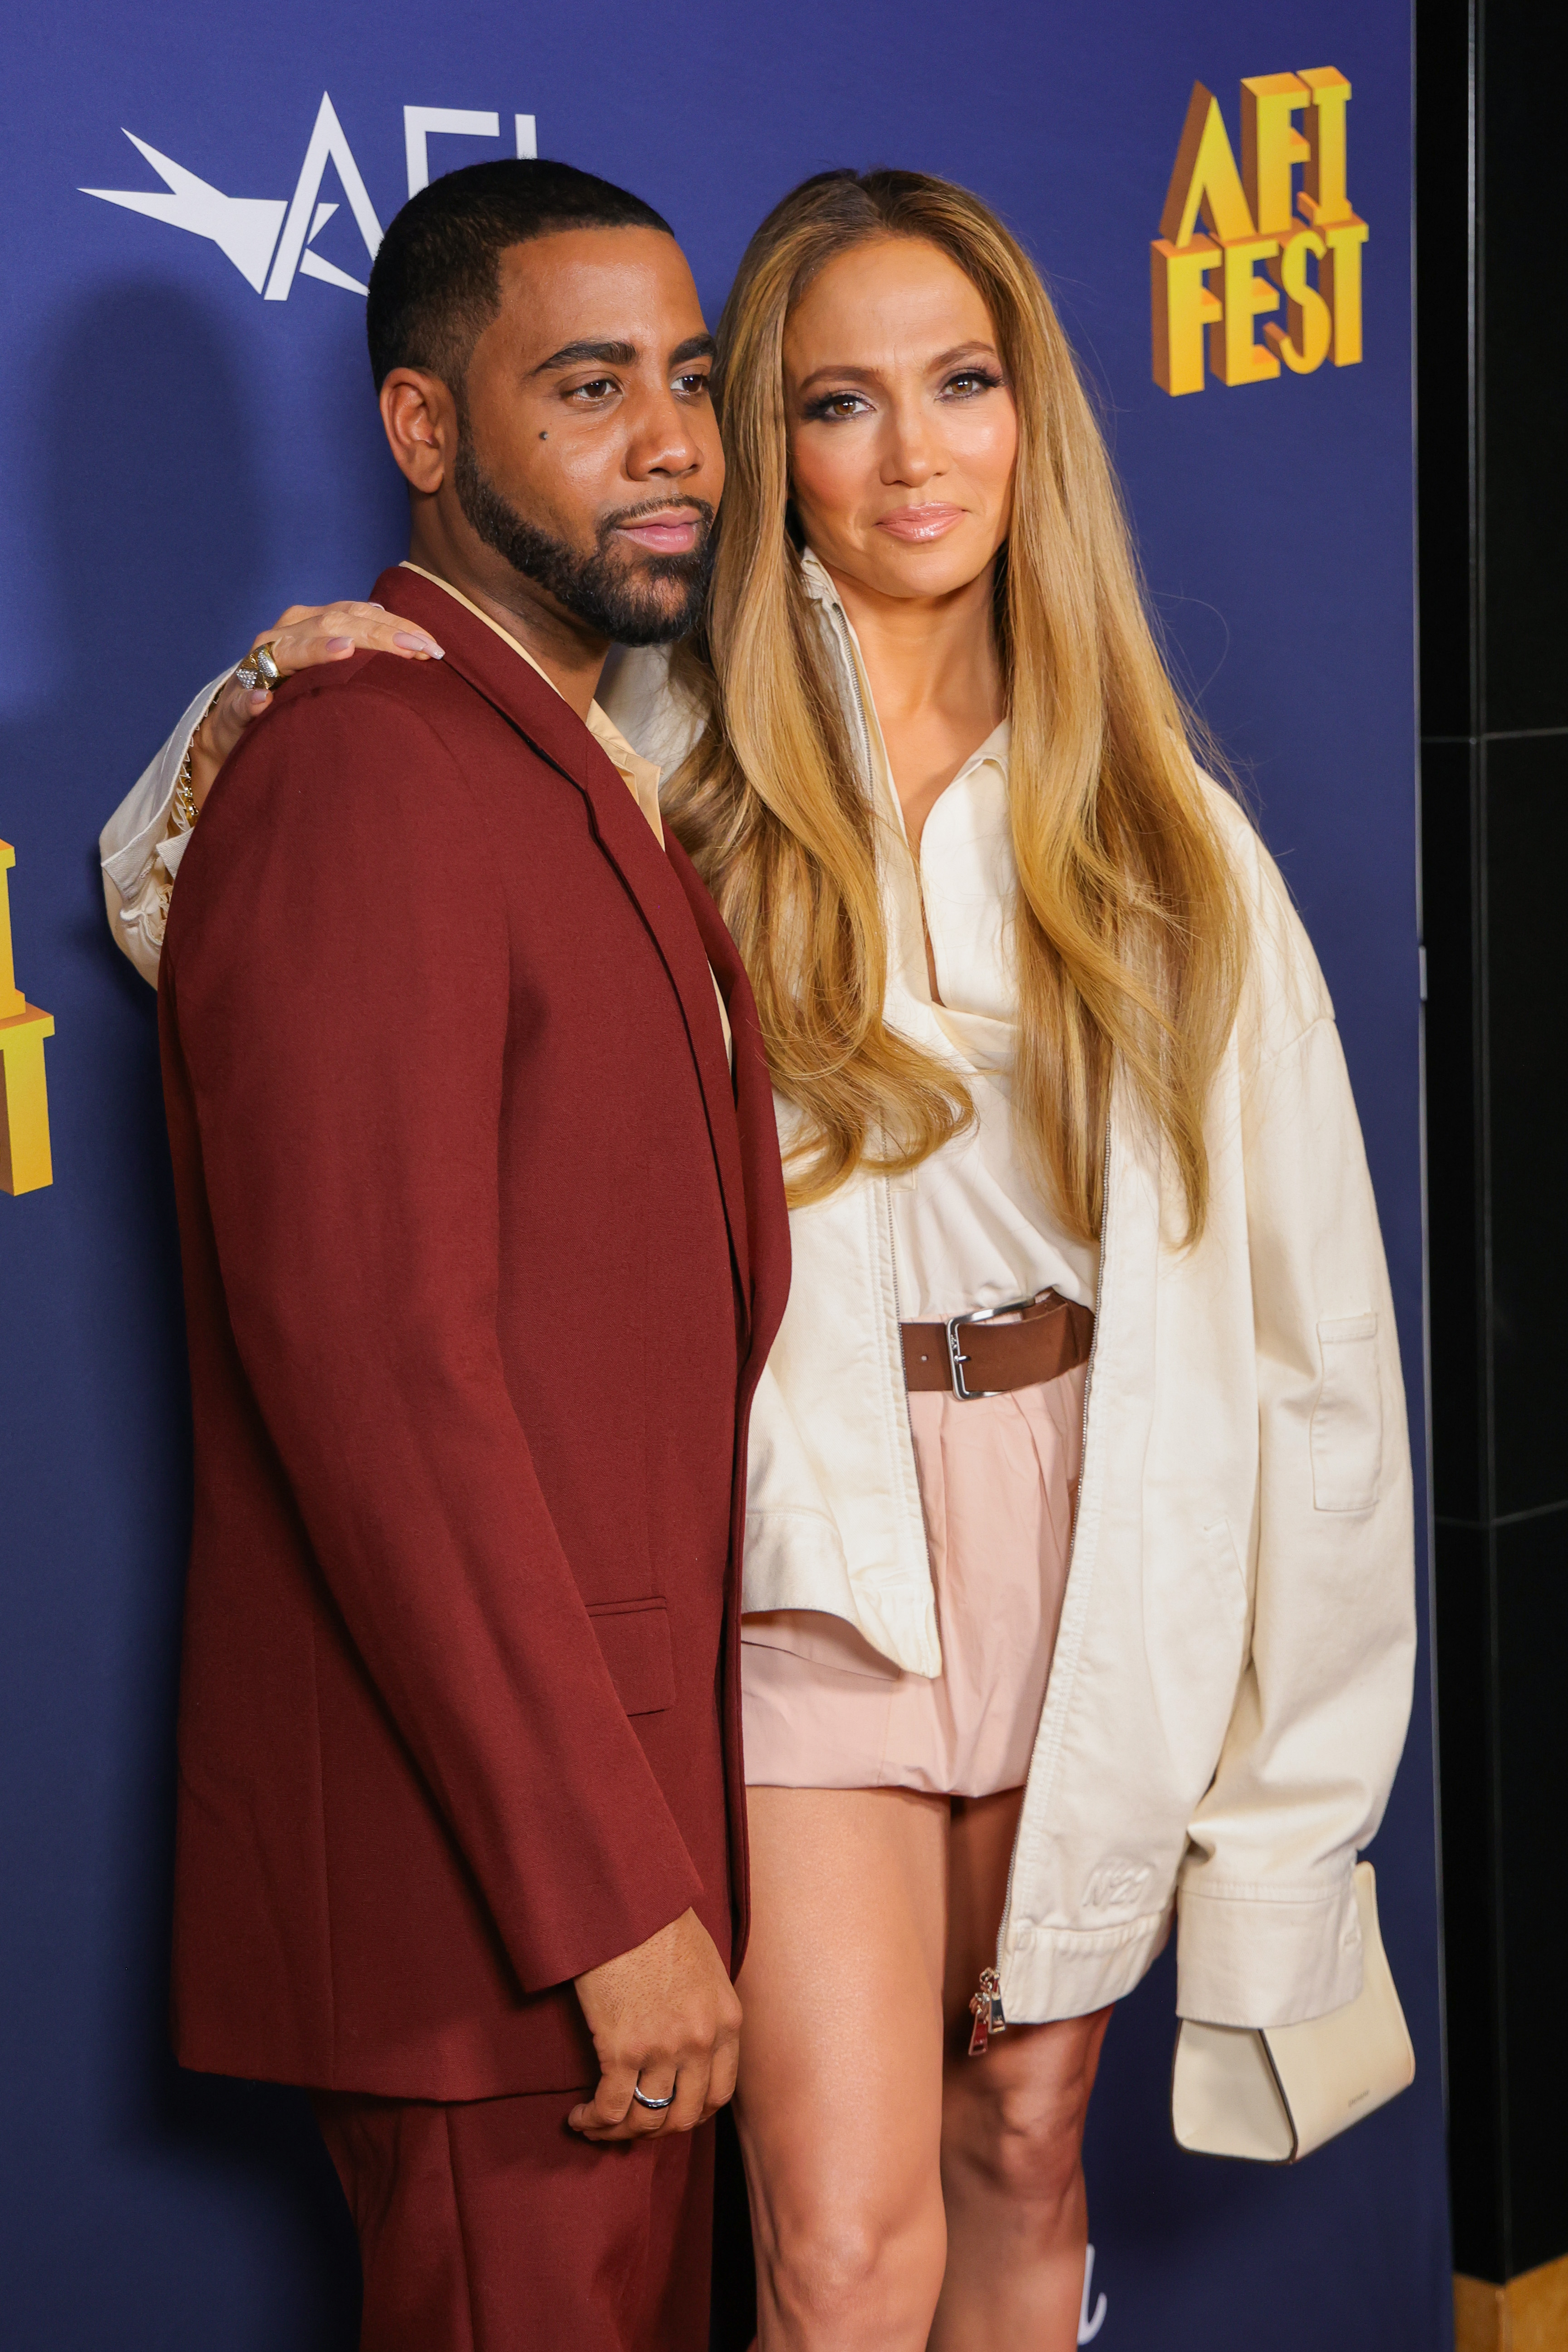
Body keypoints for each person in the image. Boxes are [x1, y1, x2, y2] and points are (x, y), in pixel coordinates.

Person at [104, 168, 1415, 2352]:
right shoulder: (647, 755)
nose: (913, 458)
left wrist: (1295, 1814)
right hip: (805, 1559)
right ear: (771, 453)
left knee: (1024, 2156)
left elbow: (1323, 1360)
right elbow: (209, 918)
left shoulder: (1168, 832)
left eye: (966, 386)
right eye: (837, 401)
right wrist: (254, 692)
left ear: (1036, 420)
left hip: (1102, 1555)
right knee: (839, 2241)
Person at [113, 159, 789, 2352]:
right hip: (504, 1928)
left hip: (608, 1876)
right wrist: (602, 1906)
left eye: (687, 380)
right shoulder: (368, 771)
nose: (672, 439)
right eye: (589, 389)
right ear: (425, 432)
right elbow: (385, 1379)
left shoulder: (559, 760)